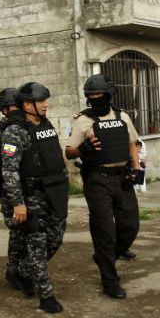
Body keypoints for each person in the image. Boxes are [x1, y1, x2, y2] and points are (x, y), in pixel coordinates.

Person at [66, 74, 142, 299]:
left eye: (99, 96)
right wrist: (83, 149)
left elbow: (132, 143)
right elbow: (69, 151)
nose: (95, 100)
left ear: (109, 96)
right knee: (104, 232)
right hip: (97, 179)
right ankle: (110, 281)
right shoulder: (83, 120)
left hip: (123, 178)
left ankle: (104, 256)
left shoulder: (123, 117)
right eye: (91, 97)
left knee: (131, 226)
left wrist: (136, 168)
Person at [0, 82, 69, 313]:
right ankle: (46, 295)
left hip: (54, 192)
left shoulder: (46, 125)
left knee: (55, 238)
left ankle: (21, 271)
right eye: (41, 101)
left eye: (45, 100)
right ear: (27, 105)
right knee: (37, 245)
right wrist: (18, 203)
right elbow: (9, 170)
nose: (45, 105)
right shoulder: (14, 131)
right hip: (32, 196)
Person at [0, 88, 34, 296]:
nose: (16, 111)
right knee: (18, 230)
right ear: (3, 110)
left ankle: (26, 269)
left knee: (31, 231)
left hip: (29, 189)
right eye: (12, 107)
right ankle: (15, 270)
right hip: (9, 189)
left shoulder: (26, 127)